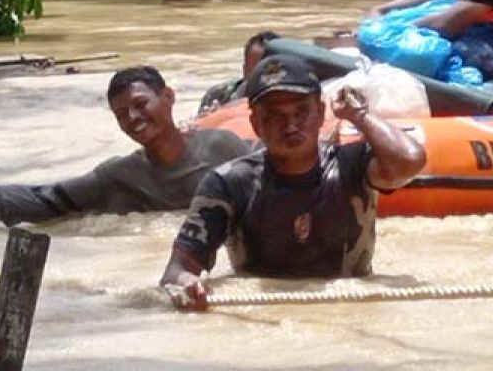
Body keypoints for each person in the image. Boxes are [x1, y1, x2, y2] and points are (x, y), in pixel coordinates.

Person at [160, 54, 427, 310]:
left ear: (321, 113)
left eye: (301, 112)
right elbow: (178, 269)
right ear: (255, 123)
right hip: (265, 313)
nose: (290, 126)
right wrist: (187, 284)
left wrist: (360, 115)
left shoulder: (353, 165)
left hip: (350, 304)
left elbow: (410, 161)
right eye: (275, 116)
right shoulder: (228, 183)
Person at [0, 66, 252, 225]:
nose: (133, 118)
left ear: (168, 98)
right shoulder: (120, 175)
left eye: (140, 104)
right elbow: (47, 199)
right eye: (121, 114)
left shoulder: (224, 146)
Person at [198, 31, 280, 114]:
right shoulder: (218, 95)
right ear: (244, 69)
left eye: (271, 71)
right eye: (256, 72)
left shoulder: (290, 97)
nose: (263, 79)